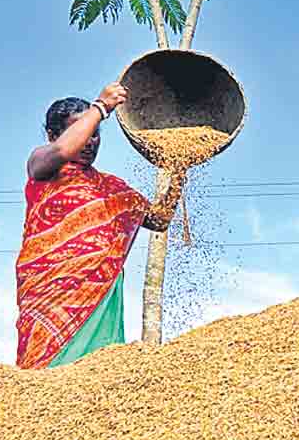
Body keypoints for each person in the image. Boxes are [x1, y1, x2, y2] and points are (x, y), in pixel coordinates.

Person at [16, 83, 181, 371]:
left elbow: (159, 219)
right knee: (45, 378)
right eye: (83, 132)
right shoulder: (43, 165)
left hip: (100, 295)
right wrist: (101, 108)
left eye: (95, 134)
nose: (90, 141)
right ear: (53, 135)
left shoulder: (112, 188)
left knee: (96, 377)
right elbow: (63, 150)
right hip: (49, 295)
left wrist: (179, 172)